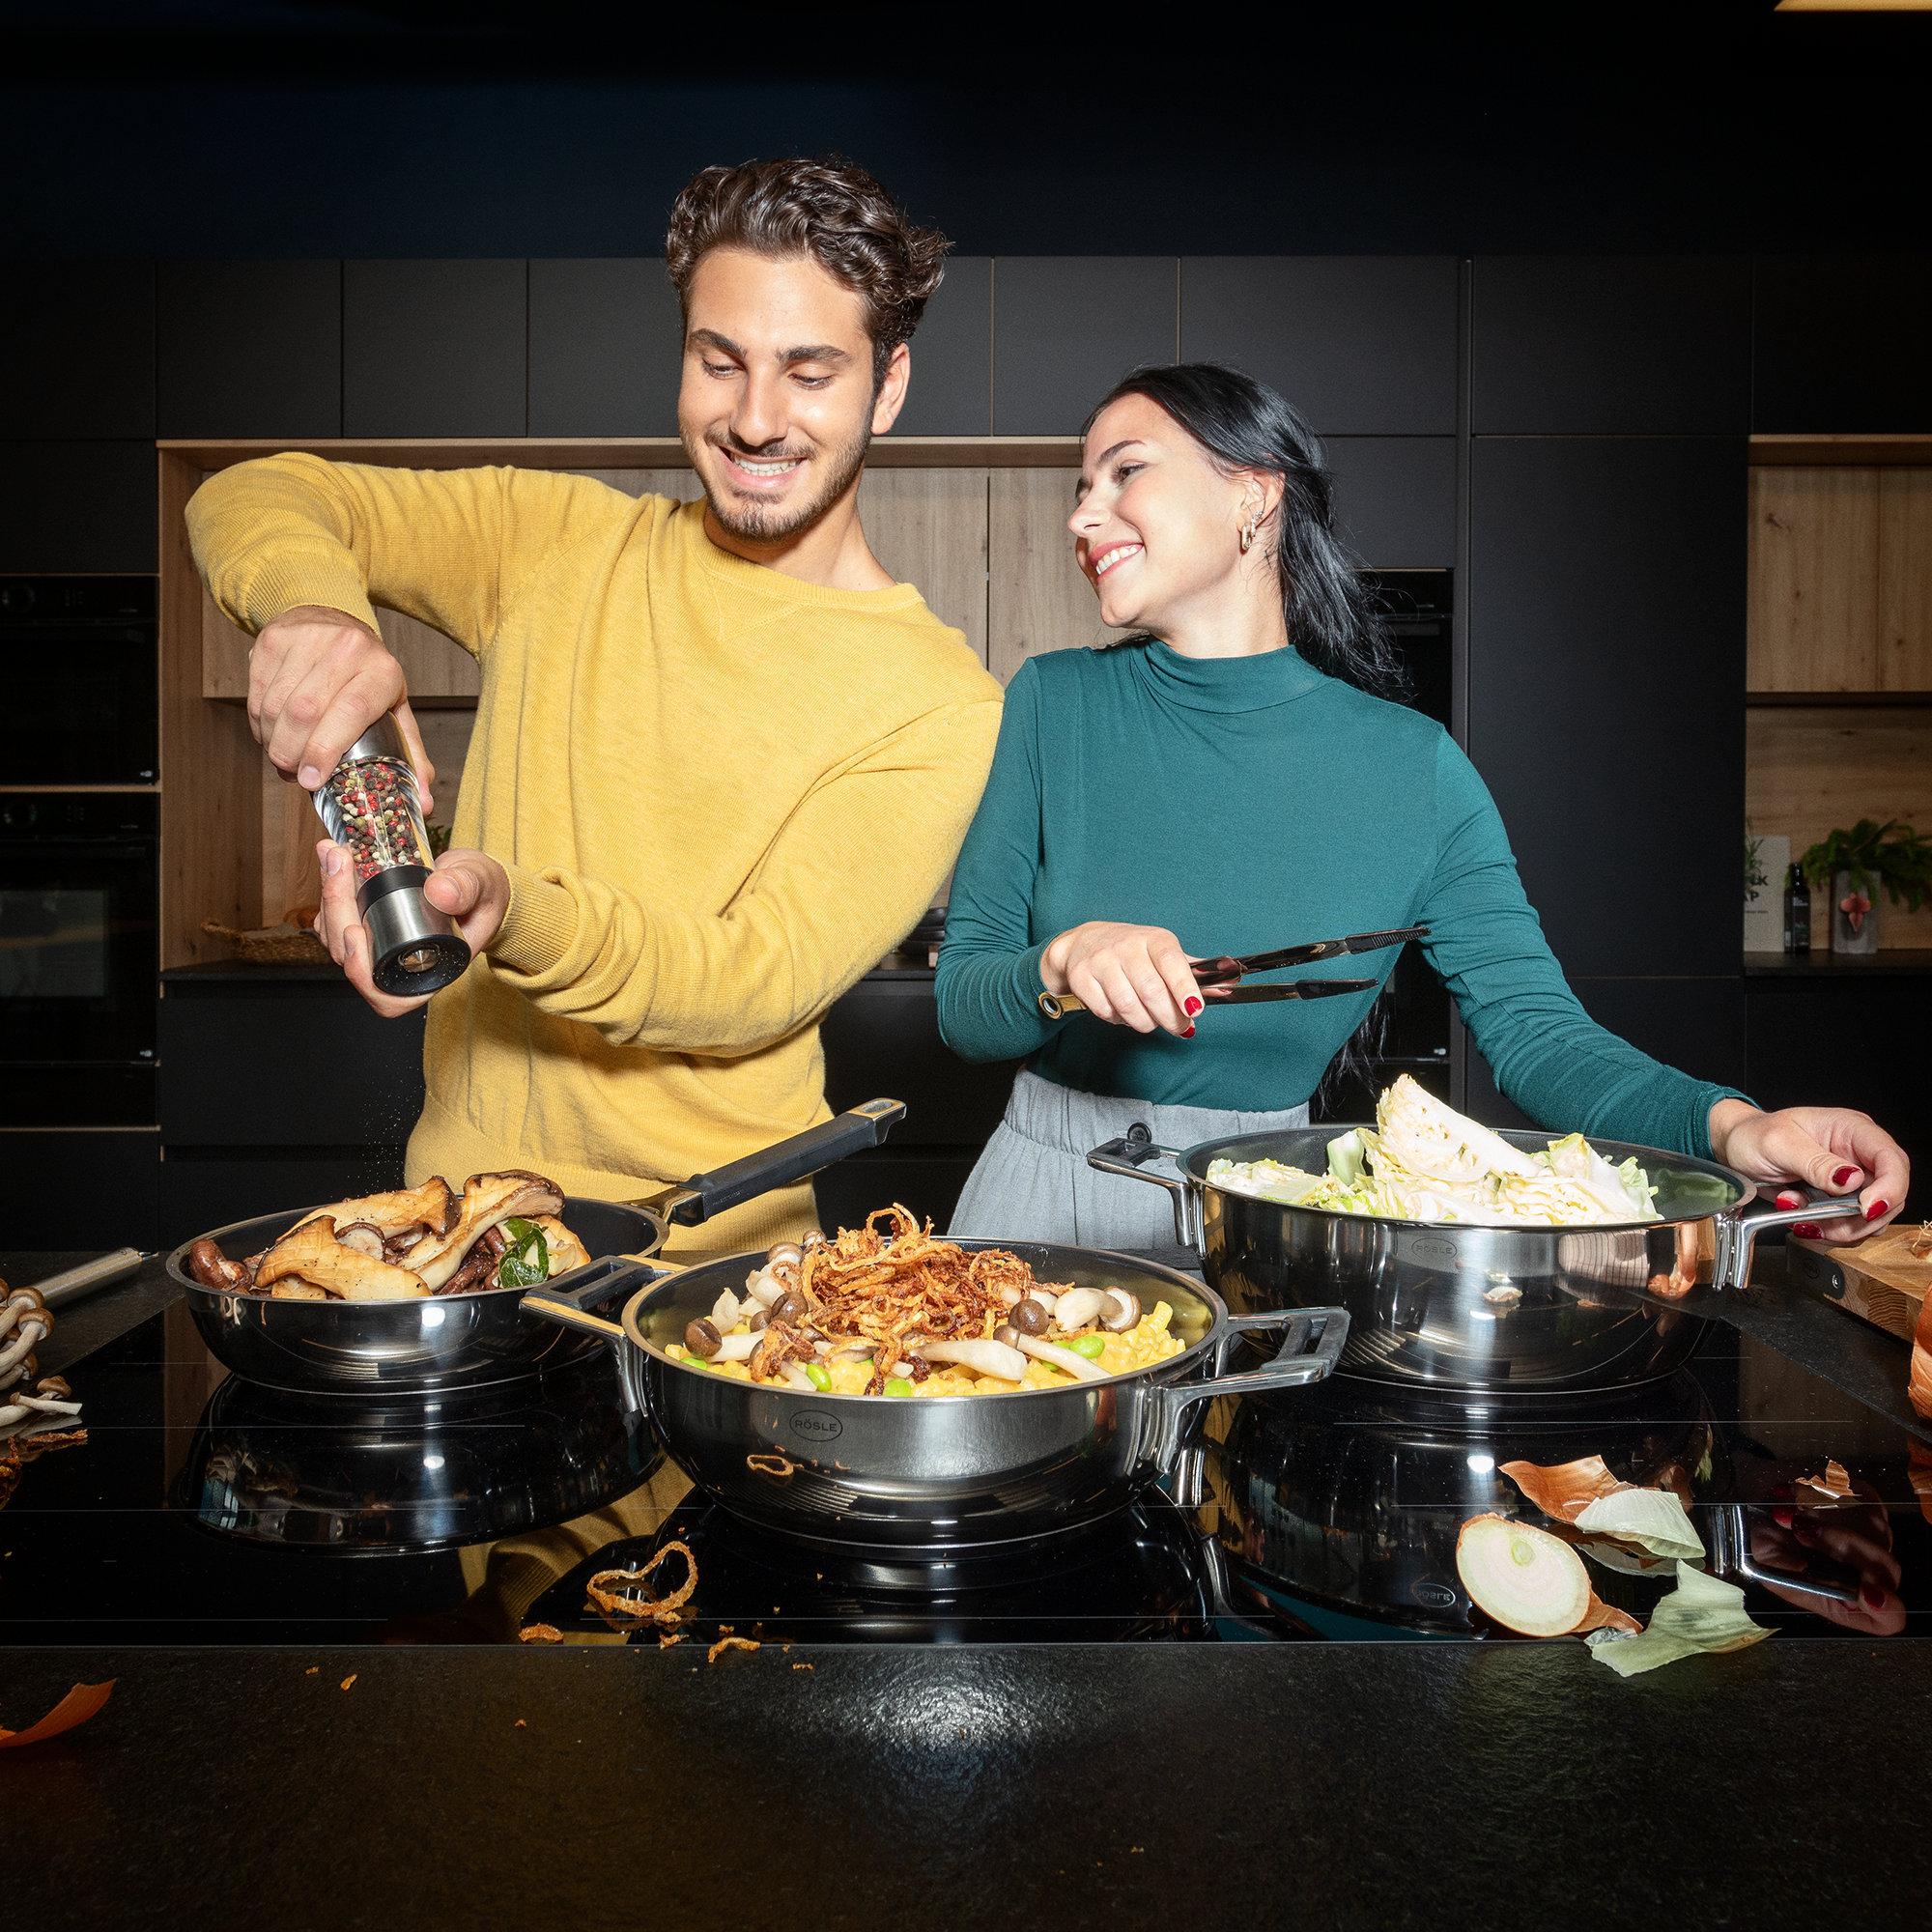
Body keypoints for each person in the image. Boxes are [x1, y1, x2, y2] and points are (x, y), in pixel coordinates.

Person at [188, 157, 1003, 1256]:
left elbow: (752, 977)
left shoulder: (937, 701)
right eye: (721, 362)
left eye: (809, 374)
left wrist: (511, 909)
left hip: (713, 1264)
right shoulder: (556, 543)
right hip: (458, 1229)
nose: (755, 420)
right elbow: (255, 490)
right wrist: (314, 611)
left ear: (887, 385)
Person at [936, 364, 1910, 1247]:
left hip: (1268, 1225)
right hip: (1036, 1205)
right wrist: (1059, 964)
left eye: (1123, 472)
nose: (1081, 515)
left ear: (1252, 490)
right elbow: (964, 1002)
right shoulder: (1049, 700)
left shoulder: (1415, 768)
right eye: (1078, 488)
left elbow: (1537, 1033)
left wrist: (1735, 1125)